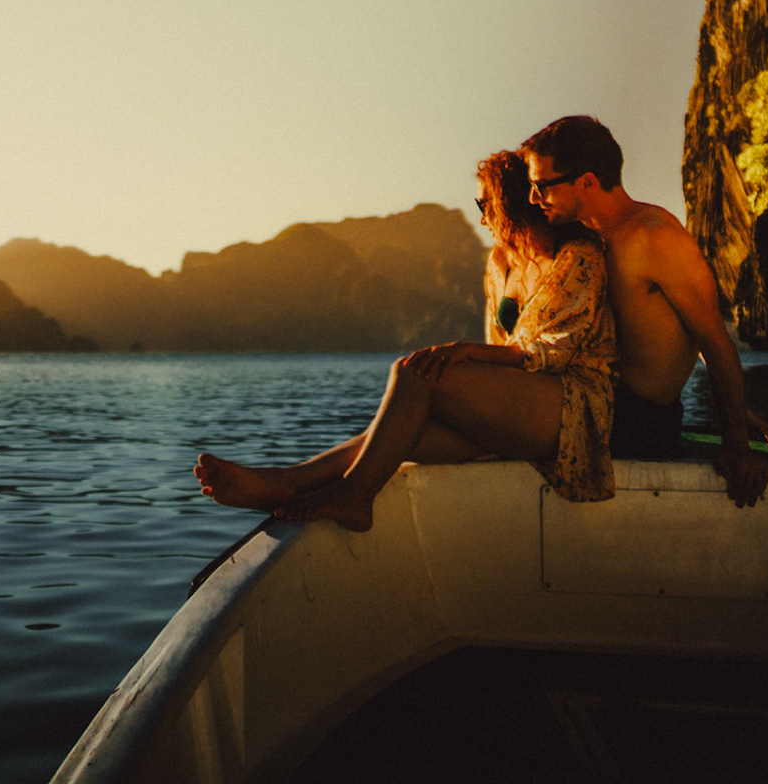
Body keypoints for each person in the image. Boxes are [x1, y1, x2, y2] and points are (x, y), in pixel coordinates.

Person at [194, 152, 617, 530]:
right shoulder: (500, 262)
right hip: (523, 404)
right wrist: (476, 367)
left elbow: (556, 349)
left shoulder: (578, 256)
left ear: (507, 200)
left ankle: (355, 496)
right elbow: (499, 344)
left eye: (483, 203)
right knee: (402, 431)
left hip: (574, 401)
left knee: (413, 374)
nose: (481, 216)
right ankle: (288, 482)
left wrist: (467, 353)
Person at [519, 115, 768, 507]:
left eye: (541, 186)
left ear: (586, 182)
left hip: (639, 420)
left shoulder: (655, 238)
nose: (534, 198)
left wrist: (737, 443)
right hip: (590, 399)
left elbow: (714, 339)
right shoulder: (586, 240)